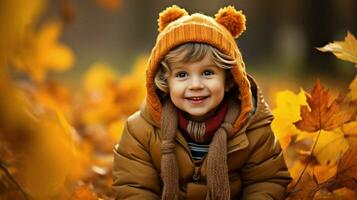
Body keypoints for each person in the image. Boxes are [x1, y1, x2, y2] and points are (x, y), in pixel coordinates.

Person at [113, 5, 291, 200]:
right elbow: (134, 187)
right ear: (165, 81)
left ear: (230, 79)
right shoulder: (140, 131)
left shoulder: (252, 129)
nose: (195, 85)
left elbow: (266, 182)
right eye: (182, 75)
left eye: (207, 73)